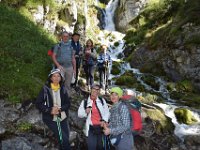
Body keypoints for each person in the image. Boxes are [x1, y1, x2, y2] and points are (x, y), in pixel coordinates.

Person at [36, 69, 71, 150]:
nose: (56, 78)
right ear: (51, 78)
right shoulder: (45, 89)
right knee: (64, 140)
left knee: (65, 138)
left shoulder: (63, 89)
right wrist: (50, 110)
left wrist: (60, 109)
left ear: (61, 78)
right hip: (50, 118)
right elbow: (38, 103)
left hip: (62, 117)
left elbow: (68, 104)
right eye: (54, 76)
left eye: (58, 76)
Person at [78, 84, 110, 150]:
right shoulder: (85, 102)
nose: (95, 91)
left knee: (101, 147)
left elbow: (107, 112)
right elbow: (79, 114)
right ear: (91, 89)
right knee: (91, 147)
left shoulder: (102, 100)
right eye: (94, 89)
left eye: (97, 89)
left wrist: (104, 120)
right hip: (91, 128)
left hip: (101, 128)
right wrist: (85, 112)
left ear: (99, 91)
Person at [52, 31, 76, 97]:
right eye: (64, 36)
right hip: (60, 67)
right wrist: (58, 65)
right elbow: (53, 56)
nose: (65, 37)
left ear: (69, 37)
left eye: (67, 36)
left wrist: (74, 70)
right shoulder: (58, 45)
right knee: (58, 82)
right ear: (61, 37)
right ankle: (56, 98)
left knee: (68, 84)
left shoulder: (71, 47)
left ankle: (66, 98)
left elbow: (73, 58)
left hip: (69, 68)